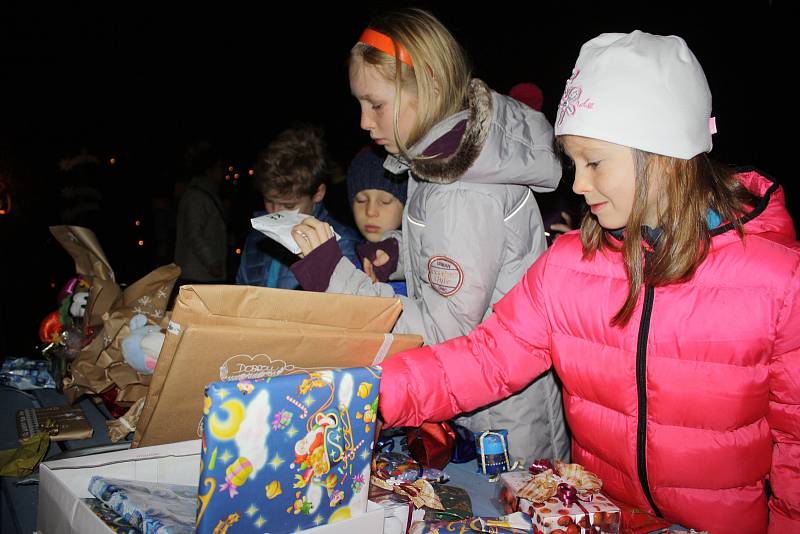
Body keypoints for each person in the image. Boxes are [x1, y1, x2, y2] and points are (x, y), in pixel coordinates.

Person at [378, 30, 800, 533]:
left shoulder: (777, 283)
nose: (577, 184)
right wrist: (369, 392)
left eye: (594, 161)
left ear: (663, 152)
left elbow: (794, 447)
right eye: (573, 163)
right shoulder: (568, 266)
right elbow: (485, 358)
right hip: (601, 520)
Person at [289, 8, 568, 465]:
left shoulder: (460, 190)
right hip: (482, 411)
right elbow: (467, 256)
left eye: (375, 104)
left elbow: (443, 330)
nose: (363, 120)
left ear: (431, 88)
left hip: (498, 433)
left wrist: (331, 276)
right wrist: (399, 252)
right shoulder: (447, 160)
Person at [236, 125, 359, 289]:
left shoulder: (342, 244)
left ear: (318, 193)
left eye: (289, 205)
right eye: (269, 200)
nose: (275, 212)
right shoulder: (257, 236)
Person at [174, 141, 228, 284]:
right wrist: (212, 263)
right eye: (220, 167)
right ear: (210, 169)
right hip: (197, 274)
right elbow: (193, 233)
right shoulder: (197, 196)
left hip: (203, 274)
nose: (223, 172)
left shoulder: (207, 194)